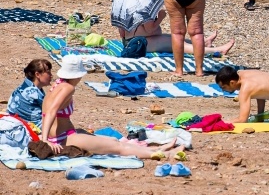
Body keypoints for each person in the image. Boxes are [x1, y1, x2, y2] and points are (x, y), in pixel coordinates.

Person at [40, 57, 186, 159]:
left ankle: (156, 149)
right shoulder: (68, 88)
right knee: (117, 147)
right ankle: (165, 154)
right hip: (62, 138)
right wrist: (46, 140)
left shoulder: (57, 85)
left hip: (65, 134)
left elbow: (48, 111)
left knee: (112, 141)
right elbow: (51, 111)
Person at [120, 10, 235, 55]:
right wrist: (160, 17)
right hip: (141, 44)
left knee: (171, 38)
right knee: (177, 43)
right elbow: (150, 29)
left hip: (130, 42)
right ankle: (216, 51)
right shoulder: (142, 9)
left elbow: (122, 33)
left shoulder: (125, 9)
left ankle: (204, 43)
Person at [7, 59, 52, 128]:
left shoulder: (26, 86)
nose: (51, 75)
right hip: (26, 127)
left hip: (13, 121)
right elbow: (49, 111)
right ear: (37, 74)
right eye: (48, 72)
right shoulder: (32, 93)